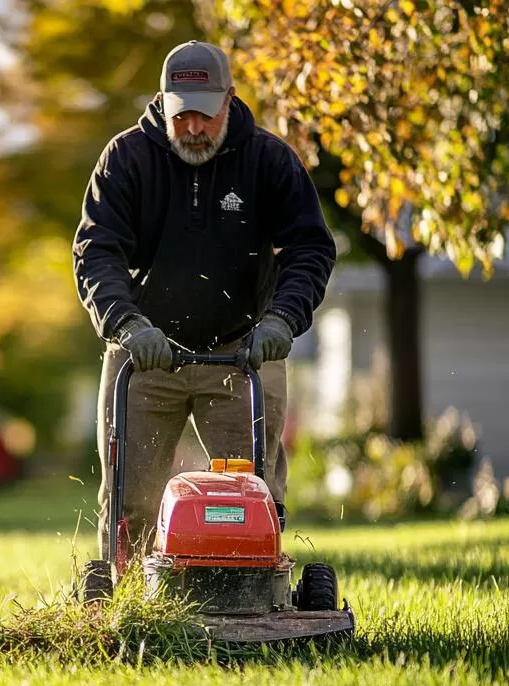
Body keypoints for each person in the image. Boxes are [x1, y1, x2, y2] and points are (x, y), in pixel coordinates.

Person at [73, 40, 336, 555]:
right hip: (144, 355)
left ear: (229, 101)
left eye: (205, 115)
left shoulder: (269, 161)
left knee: (252, 499)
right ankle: (130, 607)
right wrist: (126, 324)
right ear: (164, 101)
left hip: (242, 356)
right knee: (132, 502)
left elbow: (309, 247)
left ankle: (248, 602)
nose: (193, 127)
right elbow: (95, 250)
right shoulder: (126, 159)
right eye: (182, 114)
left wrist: (283, 319)